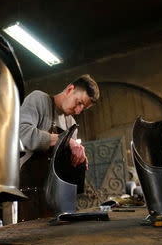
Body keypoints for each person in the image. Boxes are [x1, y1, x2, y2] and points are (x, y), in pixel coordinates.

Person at [17, 74, 100, 222]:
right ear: (70, 89)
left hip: (57, 197)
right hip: (31, 194)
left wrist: (78, 159)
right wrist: (64, 141)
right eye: (79, 102)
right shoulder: (39, 100)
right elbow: (22, 133)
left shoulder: (72, 125)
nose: (79, 110)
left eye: (83, 108)